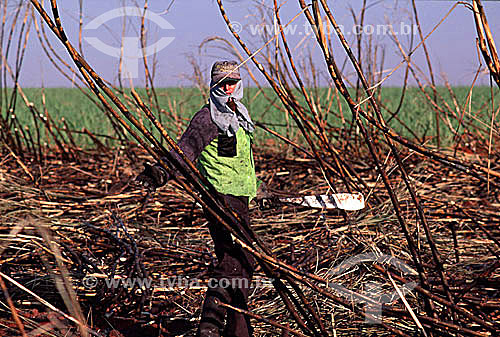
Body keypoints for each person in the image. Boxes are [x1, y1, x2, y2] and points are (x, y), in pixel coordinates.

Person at [136, 61, 258, 337]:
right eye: (223, 82)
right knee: (240, 260)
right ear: (213, 84)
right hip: (220, 196)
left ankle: (236, 329)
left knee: (238, 262)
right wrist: (159, 173)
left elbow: (244, 162)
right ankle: (212, 328)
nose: (228, 87)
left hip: (240, 196)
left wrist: (258, 191)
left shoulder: (240, 115)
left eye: (233, 82)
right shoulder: (207, 118)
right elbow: (184, 152)